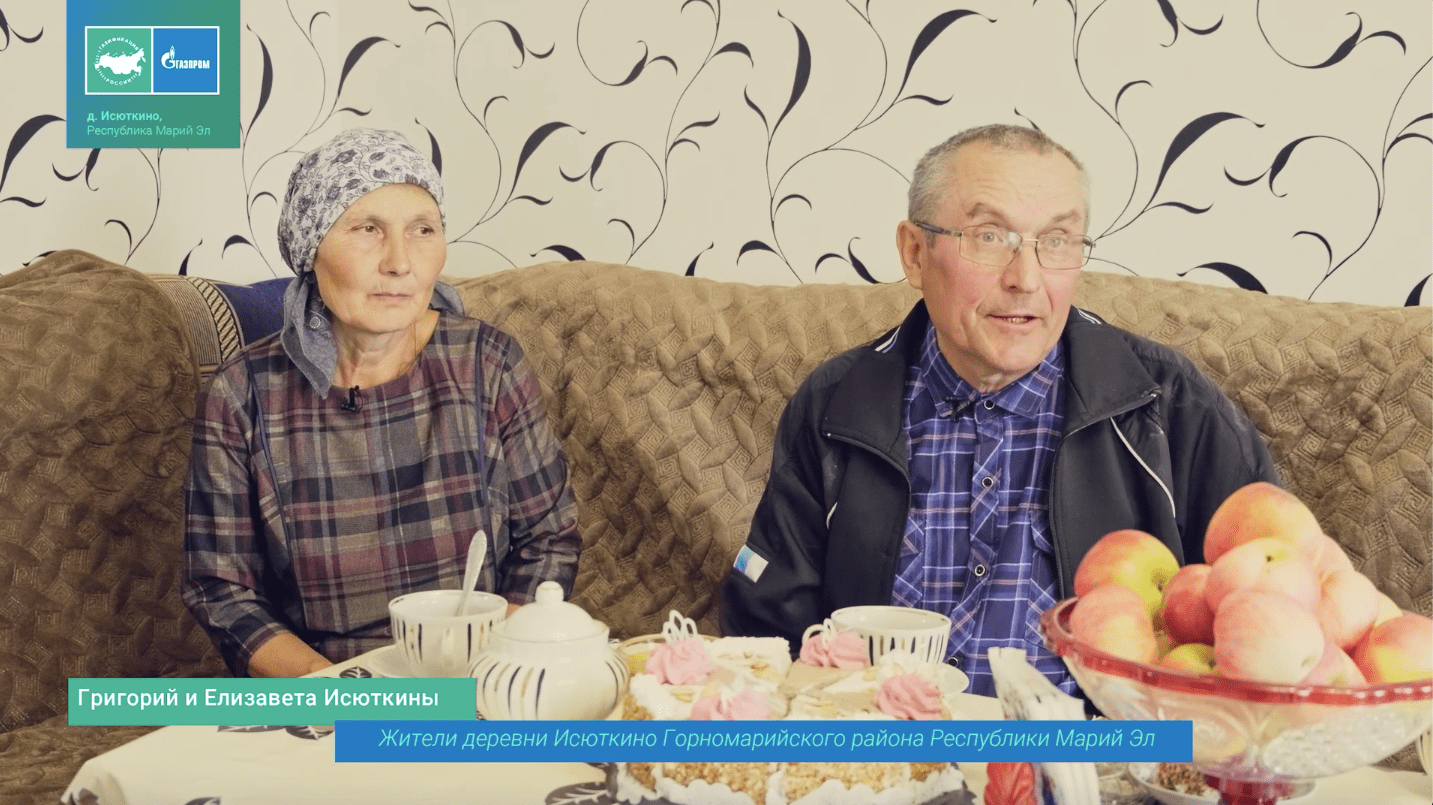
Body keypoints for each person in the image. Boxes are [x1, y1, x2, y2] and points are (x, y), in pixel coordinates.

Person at [720, 124, 1279, 696]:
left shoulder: (1168, 405)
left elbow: (1276, 618)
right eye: (989, 237)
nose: (1025, 280)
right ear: (915, 254)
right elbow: (767, 638)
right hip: (884, 744)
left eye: (1056, 241)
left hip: (1094, 749)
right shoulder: (837, 404)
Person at [183, 128, 581, 677]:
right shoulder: (240, 393)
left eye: (423, 230)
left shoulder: (488, 362)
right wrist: (345, 697)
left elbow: (549, 540)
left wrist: (490, 675)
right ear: (311, 249)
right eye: (367, 229)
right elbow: (222, 592)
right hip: (325, 688)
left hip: (480, 677)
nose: (400, 262)